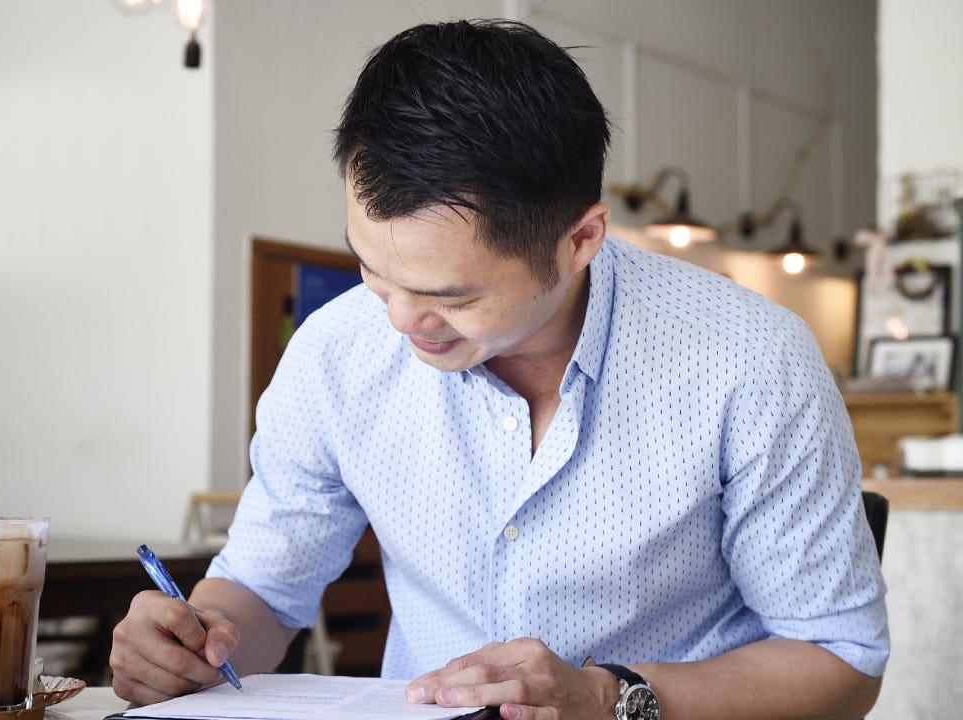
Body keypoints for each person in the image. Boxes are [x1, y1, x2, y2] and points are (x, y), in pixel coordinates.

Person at [109, 19, 888, 720]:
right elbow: (261, 594)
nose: (400, 322)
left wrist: (609, 698)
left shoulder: (750, 360)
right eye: (374, 273)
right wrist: (198, 641)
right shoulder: (334, 353)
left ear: (580, 241)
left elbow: (840, 662)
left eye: (451, 297)